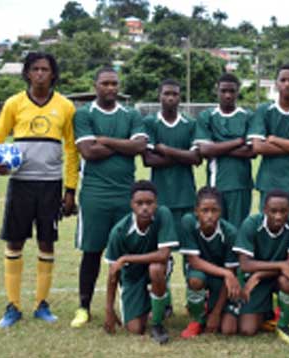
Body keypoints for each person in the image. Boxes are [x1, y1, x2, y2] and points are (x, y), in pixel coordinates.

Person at [0, 52, 78, 327]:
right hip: (20, 183)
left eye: (46, 69)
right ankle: (13, 306)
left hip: (51, 185)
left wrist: (70, 190)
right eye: (35, 69)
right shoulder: (13, 104)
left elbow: (71, 149)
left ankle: (42, 305)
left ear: (53, 74)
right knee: (15, 241)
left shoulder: (66, 106)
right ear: (28, 74)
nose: (41, 73)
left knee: (47, 242)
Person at [72, 67, 149, 328]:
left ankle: (129, 305)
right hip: (94, 193)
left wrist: (104, 140)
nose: (110, 88)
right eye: (105, 83)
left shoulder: (131, 114)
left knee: (127, 252)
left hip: (126, 195)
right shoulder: (84, 114)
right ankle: (83, 307)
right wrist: (121, 144)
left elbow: (139, 147)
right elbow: (88, 152)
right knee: (92, 251)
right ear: (95, 86)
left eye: (114, 83)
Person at [102, 181, 179, 344]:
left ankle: (157, 323)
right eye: (139, 203)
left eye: (149, 203)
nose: (145, 208)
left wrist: (126, 258)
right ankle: (156, 302)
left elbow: (164, 254)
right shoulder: (120, 231)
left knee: (156, 269)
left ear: (156, 203)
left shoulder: (163, 214)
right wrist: (109, 309)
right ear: (131, 204)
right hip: (132, 276)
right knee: (135, 329)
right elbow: (113, 272)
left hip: (156, 267)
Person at [248, 64, 289, 234]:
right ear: (276, 84)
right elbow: (258, 147)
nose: (287, 84)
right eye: (283, 80)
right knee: (269, 231)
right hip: (269, 182)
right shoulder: (264, 111)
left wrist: (275, 139)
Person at [232, 190, 289, 344]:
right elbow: (245, 264)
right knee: (247, 329)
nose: (278, 216)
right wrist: (280, 264)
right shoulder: (251, 224)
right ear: (264, 210)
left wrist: (258, 275)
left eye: (283, 211)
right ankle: (267, 311)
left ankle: (284, 323)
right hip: (258, 277)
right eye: (273, 211)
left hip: (274, 277)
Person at [177, 187, 241, 338]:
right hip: (199, 273)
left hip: (222, 282)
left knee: (228, 330)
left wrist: (216, 313)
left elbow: (230, 275)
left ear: (221, 211)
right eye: (204, 210)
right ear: (196, 211)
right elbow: (194, 261)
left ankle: (213, 309)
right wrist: (226, 273)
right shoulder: (188, 222)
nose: (210, 216)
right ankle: (198, 319)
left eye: (215, 210)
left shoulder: (230, 232)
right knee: (196, 280)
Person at [195, 73, 255, 228]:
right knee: (215, 228)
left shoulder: (247, 116)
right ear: (217, 91)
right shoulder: (207, 116)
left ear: (238, 91)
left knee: (238, 230)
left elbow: (251, 152)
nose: (228, 95)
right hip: (216, 184)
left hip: (241, 183)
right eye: (223, 91)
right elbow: (204, 150)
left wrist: (217, 146)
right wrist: (238, 141)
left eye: (232, 91)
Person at [143, 79, 200, 223]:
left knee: (185, 241)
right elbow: (148, 160)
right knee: (163, 242)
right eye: (166, 94)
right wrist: (183, 156)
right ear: (159, 96)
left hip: (186, 195)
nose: (170, 98)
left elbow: (196, 158)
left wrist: (164, 149)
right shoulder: (150, 122)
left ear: (179, 97)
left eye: (174, 94)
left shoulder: (190, 123)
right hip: (159, 196)